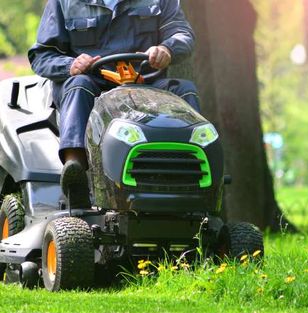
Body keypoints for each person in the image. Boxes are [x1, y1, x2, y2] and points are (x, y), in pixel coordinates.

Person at [28, 0, 198, 209]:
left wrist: (167, 48)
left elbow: (182, 33)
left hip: (146, 83)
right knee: (78, 85)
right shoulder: (64, 2)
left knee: (184, 90)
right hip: (92, 83)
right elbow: (41, 55)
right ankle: (76, 172)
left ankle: (190, 175)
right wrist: (70, 65)